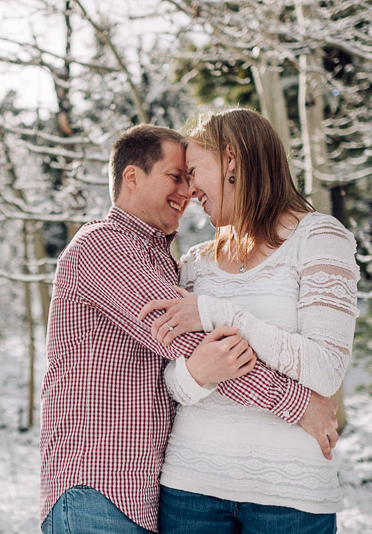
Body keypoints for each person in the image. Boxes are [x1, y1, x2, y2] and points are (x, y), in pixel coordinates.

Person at [39, 123, 339, 534]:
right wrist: (299, 404)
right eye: (174, 176)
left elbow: (185, 373)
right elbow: (194, 344)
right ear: (132, 177)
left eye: (191, 175)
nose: (187, 191)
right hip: (97, 485)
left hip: (144, 494)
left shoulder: (166, 263)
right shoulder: (102, 247)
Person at [139, 109, 360, 534]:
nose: (188, 190)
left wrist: (218, 312)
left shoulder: (319, 238)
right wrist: (196, 374)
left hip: (290, 499)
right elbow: (166, 382)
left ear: (232, 159)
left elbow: (325, 369)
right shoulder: (194, 264)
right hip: (191, 489)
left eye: (194, 171)